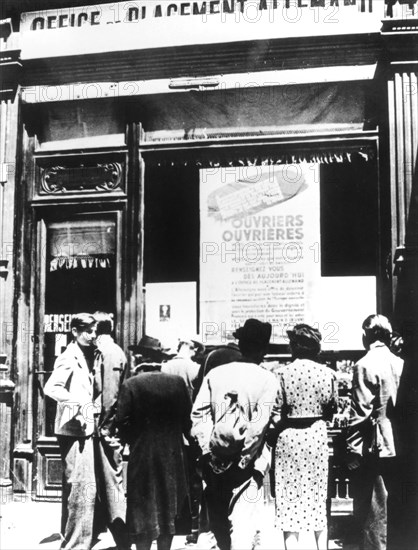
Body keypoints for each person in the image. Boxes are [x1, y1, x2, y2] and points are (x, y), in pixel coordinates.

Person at [44, 313, 130, 550]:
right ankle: (75, 545)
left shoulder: (86, 354)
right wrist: (79, 404)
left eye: (94, 331)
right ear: (74, 331)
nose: (93, 336)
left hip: (84, 431)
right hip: (74, 432)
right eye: (87, 331)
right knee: (81, 489)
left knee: (85, 490)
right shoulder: (68, 357)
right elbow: (51, 388)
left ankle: (80, 542)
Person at [191, 318, 279, 550]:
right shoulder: (268, 379)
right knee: (243, 527)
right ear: (262, 349)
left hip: (214, 464)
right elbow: (258, 427)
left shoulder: (216, 374)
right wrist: (242, 461)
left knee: (214, 528)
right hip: (247, 467)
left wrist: (211, 453)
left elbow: (199, 417)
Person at [268, 324, 337, 550]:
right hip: (316, 437)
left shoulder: (281, 373)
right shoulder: (328, 374)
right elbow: (331, 409)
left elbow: (276, 412)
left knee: (290, 500)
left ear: (295, 346)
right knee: (318, 497)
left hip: (288, 438)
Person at [116, 358, 192, 550]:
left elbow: (122, 421)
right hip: (173, 456)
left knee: (143, 508)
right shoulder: (178, 383)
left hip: (143, 456)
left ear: (138, 364)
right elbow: (187, 420)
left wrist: (134, 440)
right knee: (169, 506)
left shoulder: (131, 385)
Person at [346, 314, 404, 550]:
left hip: (375, 446)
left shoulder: (363, 365)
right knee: (398, 506)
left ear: (366, 336)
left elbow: (360, 412)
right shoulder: (401, 363)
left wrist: (352, 449)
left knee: (374, 510)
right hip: (401, 444)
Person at [92, 312, 131, 550]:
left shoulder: (110, 352)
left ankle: (123, 537)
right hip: (100, 426)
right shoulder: (105, 351)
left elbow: (109, 394)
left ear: (97, 330)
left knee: (111, 483)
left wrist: (105, 429)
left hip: (105, 427)